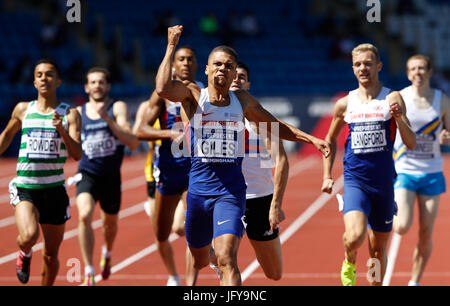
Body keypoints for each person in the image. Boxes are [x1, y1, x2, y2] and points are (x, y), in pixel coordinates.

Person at [156, 25, 330, 286]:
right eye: (217, 64)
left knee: (228, 258)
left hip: (230, 192)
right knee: (201, 259)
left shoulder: (242, 101)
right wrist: (171, 45)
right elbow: (162, 89)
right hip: (198, 192)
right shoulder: (194, 95)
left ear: (233, 71)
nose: (222, 70)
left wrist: (311, 138)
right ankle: (210, 257)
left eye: (228, 66)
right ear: (206, 69)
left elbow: (275, 125)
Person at [321, 43, 417, 286]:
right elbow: (330, 139)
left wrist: (398, 118)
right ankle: (349, 257)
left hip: (383, 183)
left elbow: (411, 142)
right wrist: (326, 175)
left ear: (378, 66)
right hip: (356, 180)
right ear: (352, 68)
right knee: (354, 236)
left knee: (377, 250)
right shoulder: (345, 103)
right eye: (357, 64)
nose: (362, 68)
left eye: (367, 63)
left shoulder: (392, 98)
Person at [0, 59, 82, 285]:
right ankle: (24, 253)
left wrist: (62, 131)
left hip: (54, 190)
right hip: (26, 187)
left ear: (58, 80)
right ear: (34, 81)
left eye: (49, 74)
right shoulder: (23, 109)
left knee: (50, 255)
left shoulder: (70, 114)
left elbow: (77, 154)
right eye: (39, 75)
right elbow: (7, 135)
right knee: (28, 236)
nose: (44, 78)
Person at [134, 46, 204, 286]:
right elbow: (139, 131)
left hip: (195, 168)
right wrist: (169, 134)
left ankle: (189, 284)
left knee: (189, 230)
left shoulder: (204, 92)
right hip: (167, 169)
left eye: (190, 59)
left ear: (197, 65)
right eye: (181, 59)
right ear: (173, 65)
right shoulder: (161, 96)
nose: (185, 63)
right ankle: (175, 273)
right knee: (162, 233)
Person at [75, 67, 139, 286]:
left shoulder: (117, 107)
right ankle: (88, 270)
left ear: (108, 86)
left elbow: (132, 141)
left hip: (111, 176)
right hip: (88, 173)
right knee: (84, 215)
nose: (97, 86)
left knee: (109, 227)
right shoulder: (79, 112)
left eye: (101, 82)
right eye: (92, 82)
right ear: (86, 87)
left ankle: (108, 252)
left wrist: (108, 120)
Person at [392, 54, 450, 286]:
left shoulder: (442, 100)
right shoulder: (400, 97)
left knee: (426, 231)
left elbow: (449, 133)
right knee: (402, 226)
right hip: (405, 169)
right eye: (413, 69)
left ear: (430, 72)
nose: (418, 72)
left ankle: (414, 281)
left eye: (422, 68)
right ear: (408, 73)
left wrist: (446, 137)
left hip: (432, 172)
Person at [231, 62, 288, 281]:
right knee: (227, 259)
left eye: (242, 76)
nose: (237, 79)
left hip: (260, 199)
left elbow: (281, 160)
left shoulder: (261, 119)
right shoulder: (214, 116)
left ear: (248, 84)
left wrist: (276, 205)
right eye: (233, 75)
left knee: (274, 273)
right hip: (229, 197)